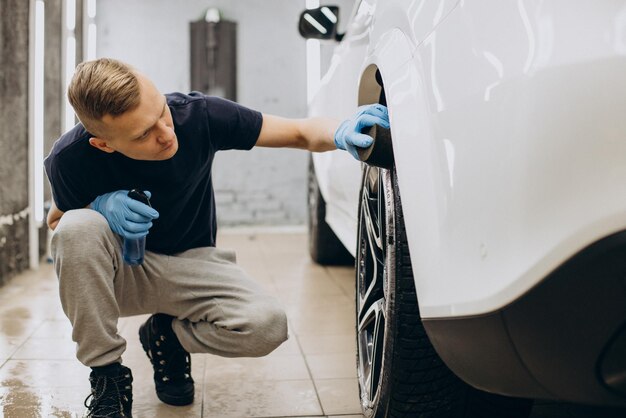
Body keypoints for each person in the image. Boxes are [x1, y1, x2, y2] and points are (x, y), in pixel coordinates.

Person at [44, 57, 389, 418]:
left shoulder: (198, 116)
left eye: (161, 112)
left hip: (193, 264)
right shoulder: (70, 159)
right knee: (77, 228)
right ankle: (108, 377)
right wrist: (99, 206)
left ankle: (167, 335)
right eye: (143, 134)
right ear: (103, 145)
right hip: (122, 271)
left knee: (267, 326)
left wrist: (340, 131)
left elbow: (300, 132)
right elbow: (58, 223)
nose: (166, 133)